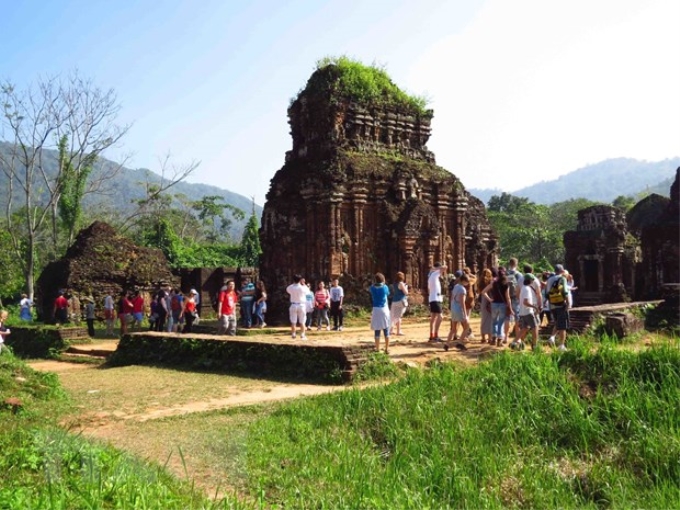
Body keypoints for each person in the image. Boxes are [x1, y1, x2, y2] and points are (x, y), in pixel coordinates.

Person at [481, 268, 513, 346]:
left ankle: (493, 339)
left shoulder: (494, 283)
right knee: (500, 323)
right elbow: (508, 297)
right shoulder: (506, 284)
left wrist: (490, 299)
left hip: (494, 304)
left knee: (494, 322)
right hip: (502, 304)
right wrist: (510, 308)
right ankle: (499, 340)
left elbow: (483, 292)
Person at [546, 264, 570, 351]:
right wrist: (568, 303)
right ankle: (561, 345)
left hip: (551, 305)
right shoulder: (562, 278)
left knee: (557, 322)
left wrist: (552, 301)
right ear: (562, 270)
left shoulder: (549, 280)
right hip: (561, 304)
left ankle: (552, 338)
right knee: (563, 325)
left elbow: (546, 294)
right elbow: (565, 291)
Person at [514, 273, 540, 350]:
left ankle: (514, 342)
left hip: (523, 312)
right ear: (530, 281)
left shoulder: (523, 288)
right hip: (528, 312)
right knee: (535, 327)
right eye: (532, 280)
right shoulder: (527, 289)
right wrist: (535, 307)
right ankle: (534, 345)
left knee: (524, 328)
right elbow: (525, 302)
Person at [446, 273, 470, 348]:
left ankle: (447, 344)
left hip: (453, 309)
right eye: (467, 282)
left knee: (453, 329)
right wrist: (465, 314)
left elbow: (452, 298)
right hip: (459, 309)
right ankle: (460, 342)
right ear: (463, 281)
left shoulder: (455, 286)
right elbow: (462, 302)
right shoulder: (463, 289)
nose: (467, 283)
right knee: (466, 327)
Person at [369, 273, 391, 353]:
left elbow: (371, 288)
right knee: (386, 329)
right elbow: (388, 294)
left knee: (377, 330)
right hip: (384, 309)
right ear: (383, 280)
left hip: (376, 309)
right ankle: (386, 348)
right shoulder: (385, 287)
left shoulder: (372, 288)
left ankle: (377, 348)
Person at [427, 262, 447, 342]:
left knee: (433, 318)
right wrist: (437, 268)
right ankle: (435, 335)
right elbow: (445, 267)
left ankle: (432, 335)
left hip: (434, 298)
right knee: (440, 317)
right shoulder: (434, 274)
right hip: (435, 299)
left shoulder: (431, 276)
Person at [287, 274, 308, 339]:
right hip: (301, 305)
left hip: (293, 305)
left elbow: (288, 291)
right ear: (300, 280)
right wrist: (303, 284)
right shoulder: (303, 287)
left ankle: (293, 334)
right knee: (302, 321)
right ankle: (302, 334)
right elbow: (307, 292)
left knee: (293, 321)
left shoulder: (290, 287)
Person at [476, 269, 493, 343]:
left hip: (483, 301)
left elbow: (479, 291)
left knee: (483, 319)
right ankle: (490, 338)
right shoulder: (490, 282)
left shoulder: (480, 282)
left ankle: (483, 338)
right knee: (490, 320)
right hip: (489, 300)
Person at [389, 272, 408, 336]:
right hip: (401, 301)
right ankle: (398, 331)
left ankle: (391, 330)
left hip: (394, 301)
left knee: (393, 316)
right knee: (398, 316)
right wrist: (406, 286)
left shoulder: (394, 284)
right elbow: (406, 292)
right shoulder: (401, 283)